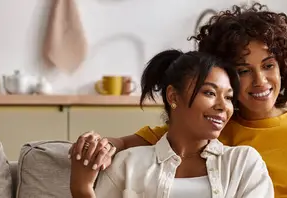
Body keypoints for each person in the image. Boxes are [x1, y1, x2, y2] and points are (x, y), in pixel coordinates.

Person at [69, 3, 287, 198]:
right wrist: (101, 147)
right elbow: (147, 143)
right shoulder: (211, 128)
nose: (260, 81)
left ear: (284, 66)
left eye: (269, 65)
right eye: (243, 71)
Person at [69, 50, 274, 198]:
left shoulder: (244, 163)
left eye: (229, 97)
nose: (223, 107)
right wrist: (82, 189)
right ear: (173, 96)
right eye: (210, 93)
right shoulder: (128, 164)